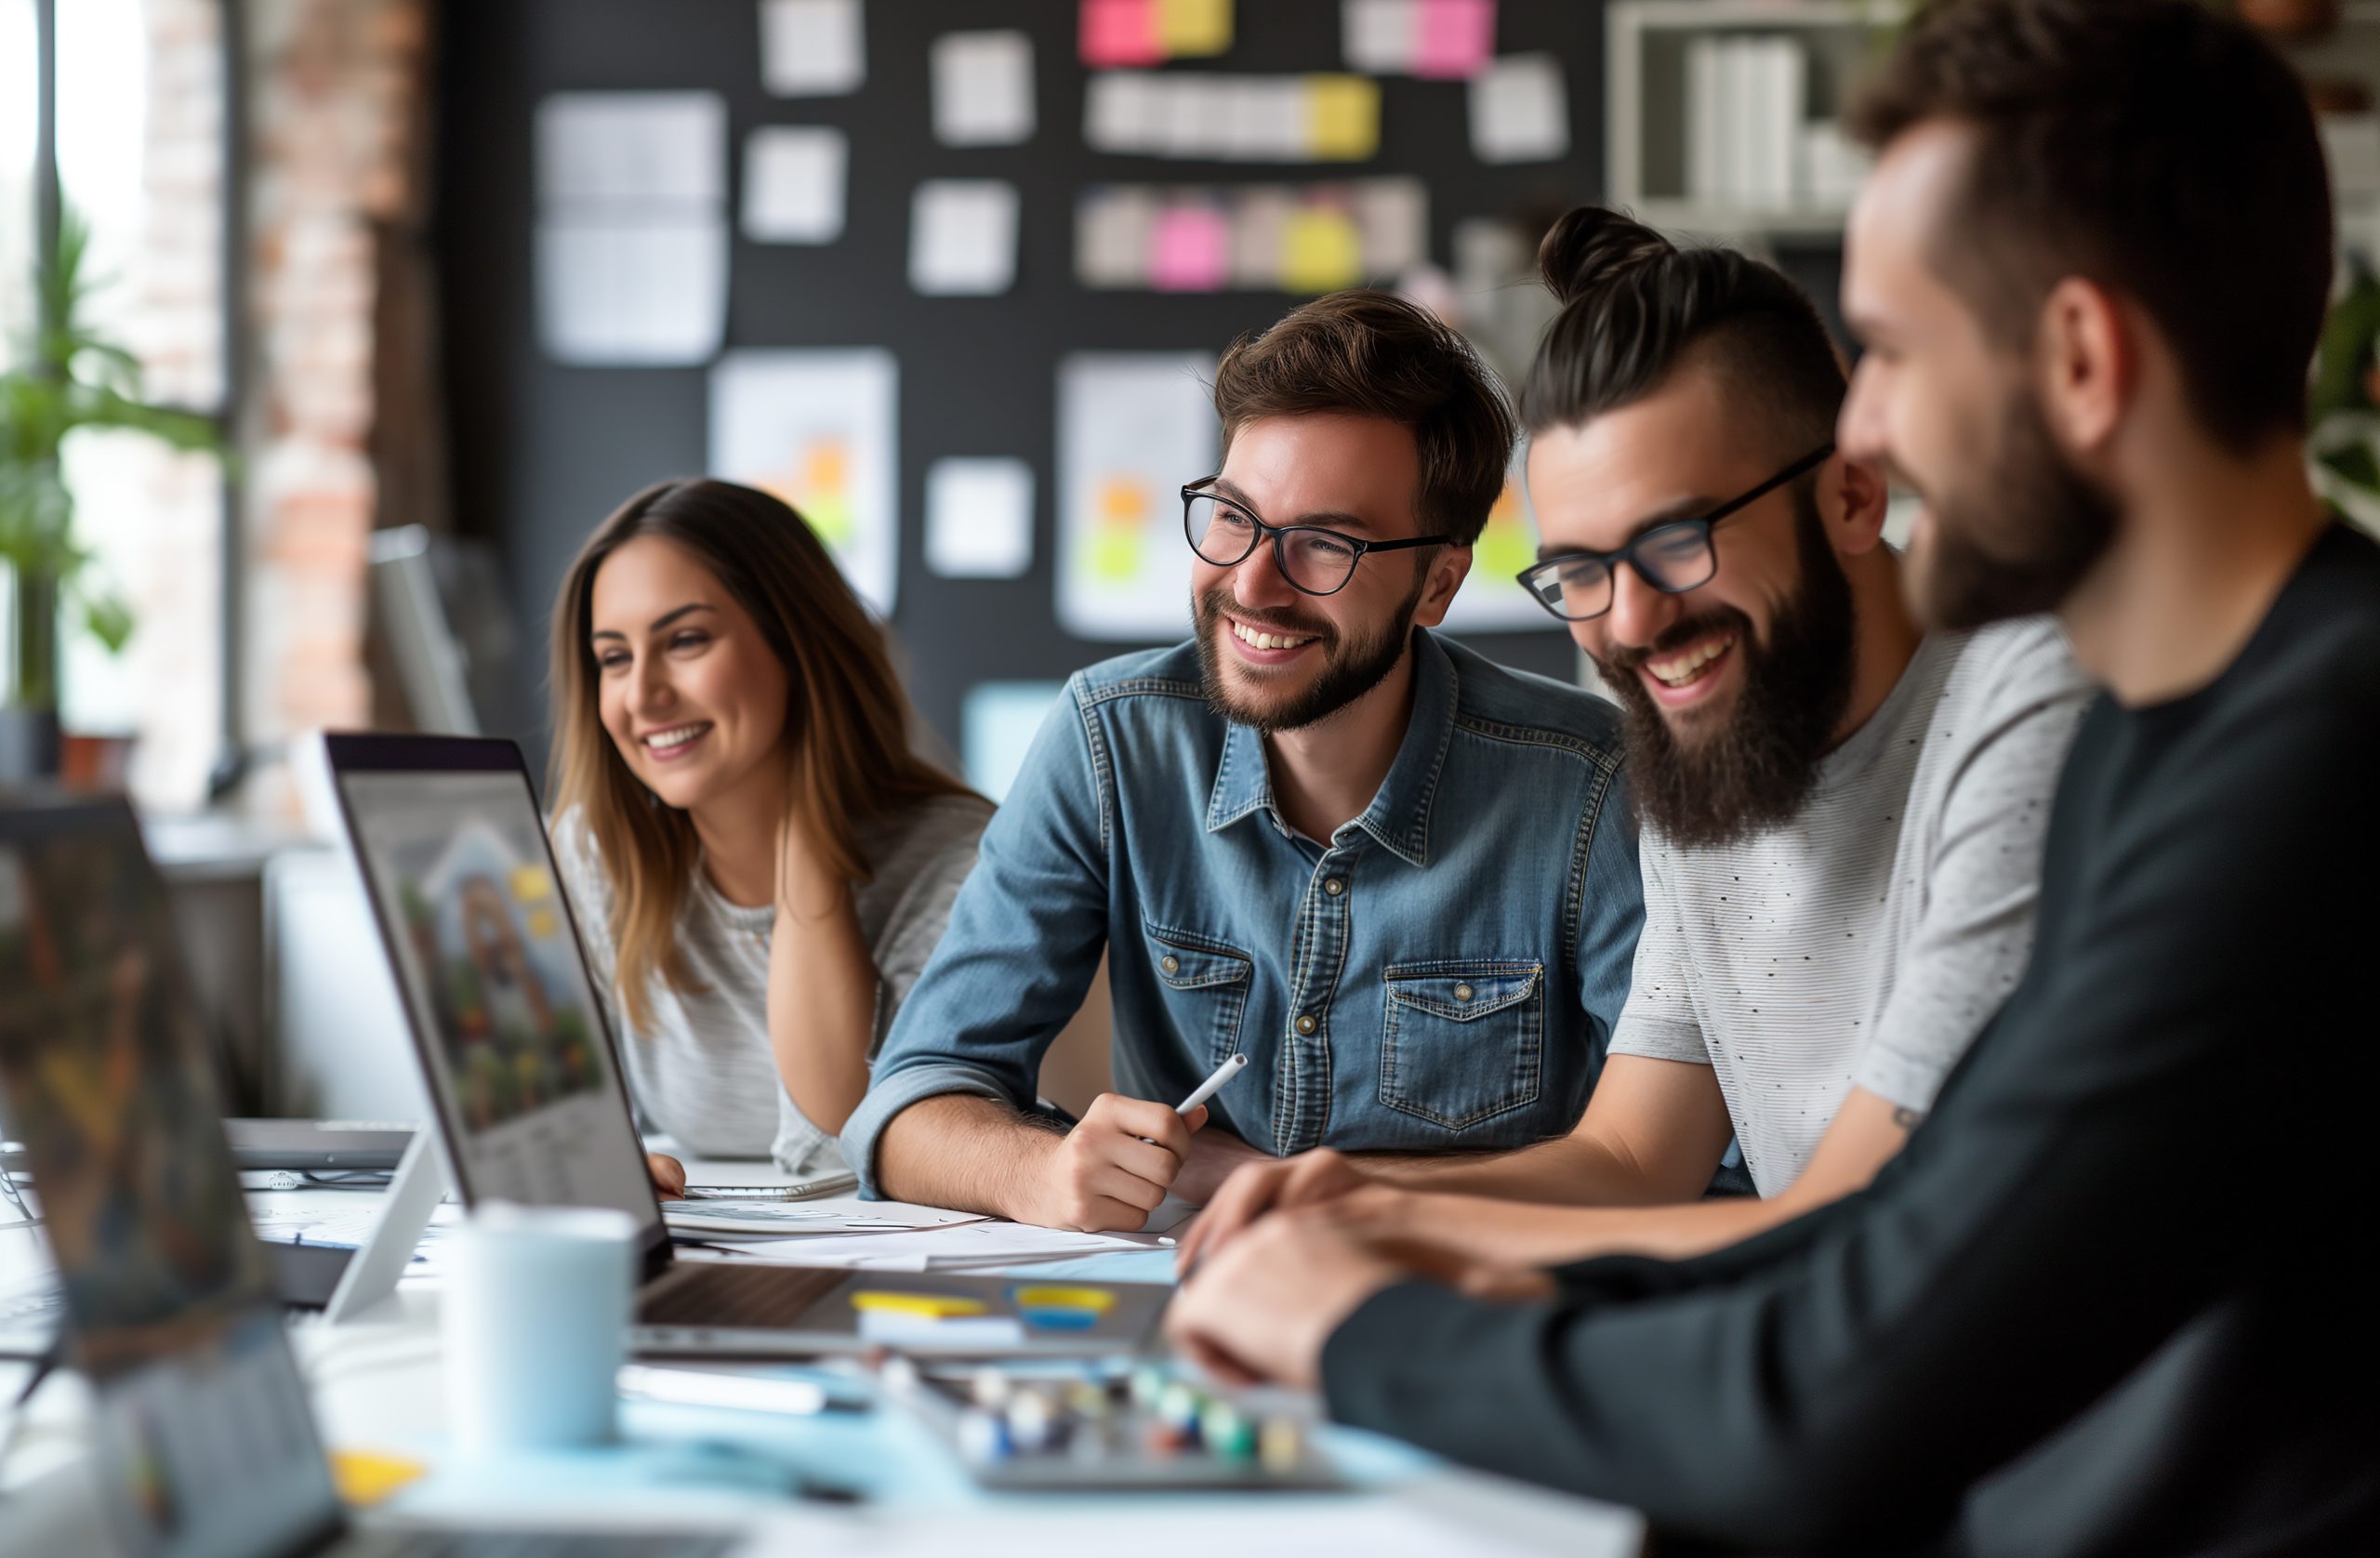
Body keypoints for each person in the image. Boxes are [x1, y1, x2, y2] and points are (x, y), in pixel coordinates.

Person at [1166, 0, 2380, 1558]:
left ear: (2078, 358)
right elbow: (1902, 1260)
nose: (1862, 423)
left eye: (1885, 347)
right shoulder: (2193, 733)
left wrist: (1360, 1322)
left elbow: (1838, 1374)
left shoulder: (2299, 765)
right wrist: (1396, 1238)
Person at [1177, 209, 2090, 1274]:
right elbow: (1630, 1156)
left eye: (1674, 544)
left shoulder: (2026, 702)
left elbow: (1874, 1220)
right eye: (1579, 572)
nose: (1629, 626)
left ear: (1851, 491)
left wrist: (1399, 1228)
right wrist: (1338, 1194)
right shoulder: (1717, 743)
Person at [841, 290, 1646, 1231]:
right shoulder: (1110, 739)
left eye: (1324, 545)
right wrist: (1041, 1171)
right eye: (1232, 517)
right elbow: (908, 1105)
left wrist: (1270, 1187)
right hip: (1182, 1305)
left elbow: (1678, 1156)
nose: (1253, 584)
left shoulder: (1592, 784)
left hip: (1468, 1304)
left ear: (1436, 584)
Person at [548, 478, 989, 1193]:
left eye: (685, 640)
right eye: (614, 658)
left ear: (797, 647)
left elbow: (840, 1141)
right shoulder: (596, 856)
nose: (641, 696)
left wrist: (807, 833)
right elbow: (549, 1132)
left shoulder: (958, 866)